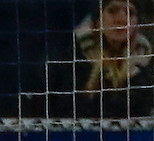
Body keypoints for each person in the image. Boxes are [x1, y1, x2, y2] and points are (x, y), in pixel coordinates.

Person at [21, 0, 153, 119]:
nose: (122, 19)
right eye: (112, 11)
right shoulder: (66, 60)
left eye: (130, 13)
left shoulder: (146, 65)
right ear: (97, 20)